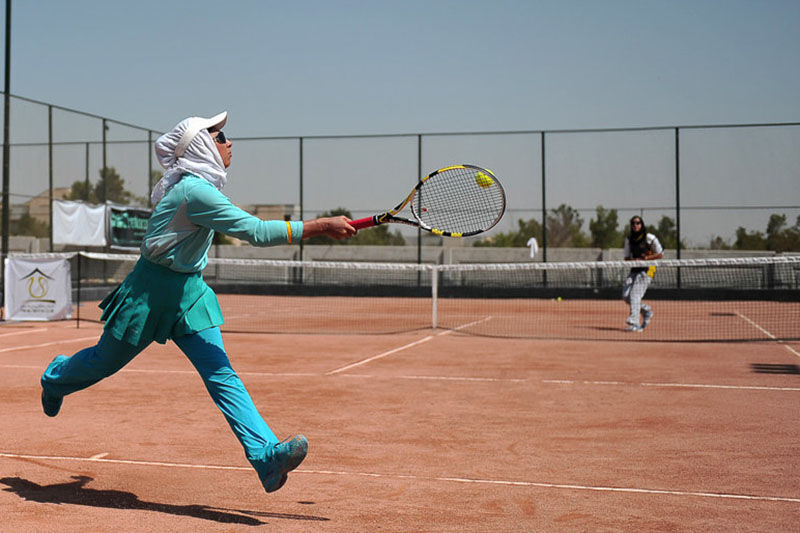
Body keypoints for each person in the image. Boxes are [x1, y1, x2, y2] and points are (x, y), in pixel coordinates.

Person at [40, 112, 356, 494]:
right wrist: (322, 226)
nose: (230, 143)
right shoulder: (195, 192)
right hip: (148, 292)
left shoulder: (203, 190)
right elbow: (255, 231)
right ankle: (55, 379)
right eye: (222, 137)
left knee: (221, 373)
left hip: (189, 294)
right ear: (204, 147)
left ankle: (267, 459)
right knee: (101, 364)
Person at [622, 215, 663, 332]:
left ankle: (635, 323)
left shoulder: (650, 238)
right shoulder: (629, 239)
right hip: (634, 269)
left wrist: (647, 258)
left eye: (638, 223)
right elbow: (626, 258)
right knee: (626, 296)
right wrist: (634, 261)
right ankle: (646, 311)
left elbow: (660, 254)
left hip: (647, 269)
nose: (635, 225)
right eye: (633, 223)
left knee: (635, 295)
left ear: (642, 224)